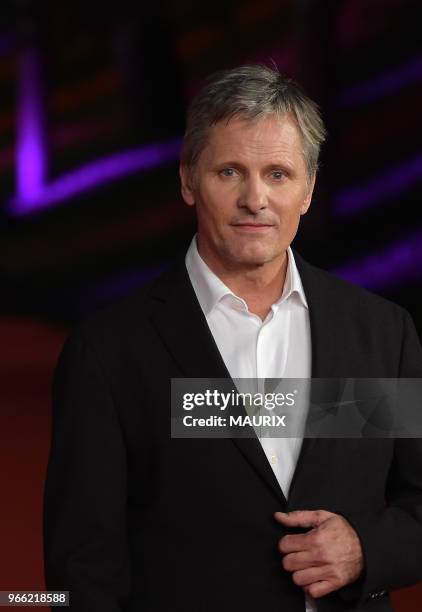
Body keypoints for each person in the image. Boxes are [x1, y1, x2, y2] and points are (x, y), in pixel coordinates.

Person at [43, 65, 422, 612]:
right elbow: (82, 568)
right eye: (229, 172)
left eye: (277, 174)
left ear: (309, 189)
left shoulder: (383, 335)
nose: (255, 199)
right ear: (188, 181)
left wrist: (368, 548)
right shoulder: (108, 352)